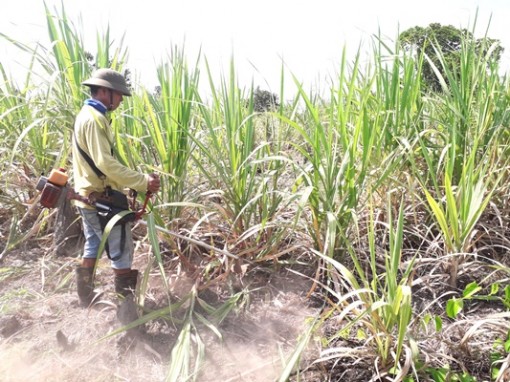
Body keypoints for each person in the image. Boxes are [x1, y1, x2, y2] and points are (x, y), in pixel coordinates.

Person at [72, 68, 160, 324]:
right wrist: (142, 181)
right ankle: (127, 318)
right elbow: (105, 164)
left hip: (85, 195)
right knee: (121, 250)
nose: (121, 101)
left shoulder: (86, 116)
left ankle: (85, 297)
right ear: (104, 91)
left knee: (92, 243)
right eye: (119, 95)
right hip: (100, 199)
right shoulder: (95, 120)